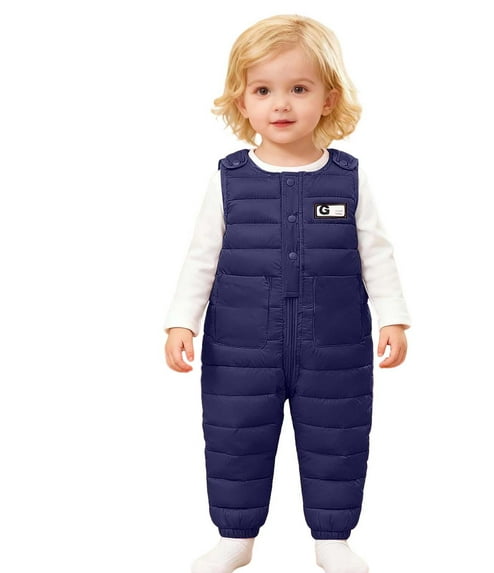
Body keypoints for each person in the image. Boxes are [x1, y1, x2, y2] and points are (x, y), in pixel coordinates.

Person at [163, 14, 412, 573]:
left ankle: (332, 539)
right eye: (263, 90)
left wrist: (394, 317)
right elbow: (201, 255)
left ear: (328, 99)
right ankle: (235, 538)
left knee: (338, 438)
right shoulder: (229, 179)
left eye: (299, 88)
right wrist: (182, 321)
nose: (281, 104)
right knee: (235, 437)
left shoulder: (348, 178)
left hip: (336, 345)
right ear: (242, 100)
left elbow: (376, 252)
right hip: (240, 345)